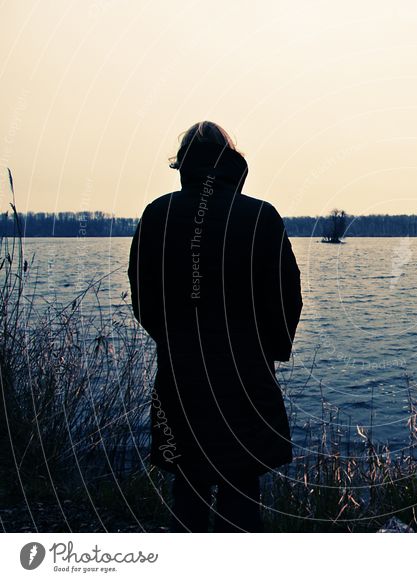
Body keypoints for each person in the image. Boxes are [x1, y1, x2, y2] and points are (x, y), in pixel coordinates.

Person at [127, 121, 302, 532]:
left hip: (181, 373)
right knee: (241, 486)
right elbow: (287, 295)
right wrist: (269, 348)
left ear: (184, 163)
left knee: (188, 487)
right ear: (231, 161)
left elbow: (143, 295)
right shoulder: (260, 216)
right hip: (246, 374)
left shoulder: (158, 215)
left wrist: (171, 340)